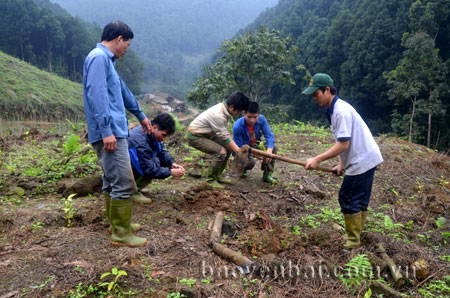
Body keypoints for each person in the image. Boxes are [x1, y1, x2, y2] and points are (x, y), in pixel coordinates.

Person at [83, 21, 151, 247]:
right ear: (119, 38)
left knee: (112, 179)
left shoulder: (108, 62)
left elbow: (123, 91)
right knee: (122, 179)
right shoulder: (98, 58)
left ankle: (117, 224)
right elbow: (96, 95)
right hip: (109, 132)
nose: (126, 50)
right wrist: (106, 130)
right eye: (127, 45)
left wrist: (141, 115)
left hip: (114, 130)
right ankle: (121, 234)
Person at [302, 73, 383, 250]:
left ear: (327, 90)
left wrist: (317, 159)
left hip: (361, 160)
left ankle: (353, 243)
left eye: (316, 94)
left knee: (347, 197)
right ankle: (357, 236)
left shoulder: (341, 111)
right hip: (366, 157)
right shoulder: (333, 109)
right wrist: (340, 164)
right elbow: (341, 140)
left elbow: (344, 144)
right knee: (359, 199)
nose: (314, 98)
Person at [186, 91, 250, 188]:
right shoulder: (218, 115)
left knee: (228, 148)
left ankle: (218, 175)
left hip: (207, 133)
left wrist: (235, 149)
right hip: (196, 136)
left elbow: (224, 134)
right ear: (232, 107)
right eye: (239, 111)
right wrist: (239, 152)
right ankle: (210, 180)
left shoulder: (224, 109)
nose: (239, 113)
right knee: (221, 152)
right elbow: (224, 137)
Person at [128, 113, 185, 204]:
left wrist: (171, 163)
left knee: (156, 160)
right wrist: (170, 172)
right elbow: (148, 169)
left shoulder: (150, 132)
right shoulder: (140, 141)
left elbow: (161, 151)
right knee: (154, 162)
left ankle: (136, 187)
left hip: (134, 164)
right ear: (154, 127)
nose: (164, 139)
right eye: (164, 135)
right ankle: (131, 191)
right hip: (121, 169)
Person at [232, 102, 277, 183]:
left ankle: (267, 175)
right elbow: (238, 149)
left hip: (255, 145)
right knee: (250, 162)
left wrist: (269, 151)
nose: (252, 120)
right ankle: (242, 169)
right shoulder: (237, 126)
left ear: (258, 115)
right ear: (244, 113)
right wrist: (255, 154)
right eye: (249, 117)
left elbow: (269, 136)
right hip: (243, 150)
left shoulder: (262, 119)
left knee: (273, 148)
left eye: (255, 117)